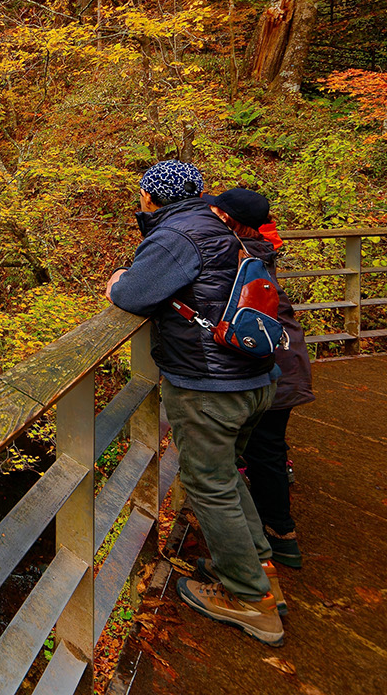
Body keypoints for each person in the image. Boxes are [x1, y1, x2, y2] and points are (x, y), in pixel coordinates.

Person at [105, 161, 284, 647]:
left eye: (142, 192)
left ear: (152, 197)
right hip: (255, 375)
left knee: (208, 481)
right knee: (224, 472)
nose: (139, 199)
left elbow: (135, 294)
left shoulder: (177, 235)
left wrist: (118, 281)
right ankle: (260, 566)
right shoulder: (219, 225)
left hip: (210, 384)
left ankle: (251, 600)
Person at [208, 187, 313, 570]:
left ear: (228, 220)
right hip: (281, 357)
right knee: (264, 448)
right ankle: (272, 534)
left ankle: (278, 538)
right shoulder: (260, 249)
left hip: (271, 362)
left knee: (262, 450)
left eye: (216, 213)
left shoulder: (235, 253)